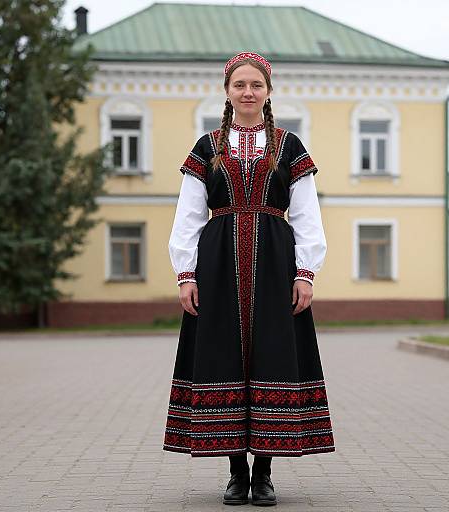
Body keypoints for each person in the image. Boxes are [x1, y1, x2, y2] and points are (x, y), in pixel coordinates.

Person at [163, 51, 335, 506]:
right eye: (239, 85)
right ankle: (236, 473)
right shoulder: (207, 148)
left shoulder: (289, 146)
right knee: (222, 359)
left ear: (268, 92)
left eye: (255, 85)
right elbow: (188, 216)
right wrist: (186, 273)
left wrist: (305, 272)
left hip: (276, 265)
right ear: (227, 92)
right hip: (217, 265)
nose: (247, 92)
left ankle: (265, 474)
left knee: (272, 358)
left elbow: (307, 215)